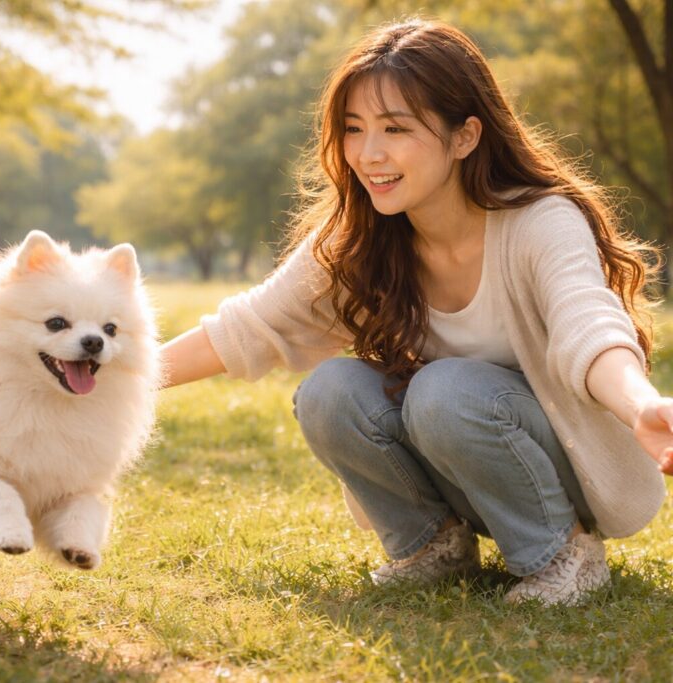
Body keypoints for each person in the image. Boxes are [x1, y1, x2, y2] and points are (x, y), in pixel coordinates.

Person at [160, 18, 673, 606]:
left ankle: (565, 552)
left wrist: (641, 405)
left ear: (465, 136)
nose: (368, 153)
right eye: (354, 129)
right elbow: (247, 328)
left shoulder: (540, 222)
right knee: (330, 389)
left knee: (444, 388)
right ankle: (433, 546)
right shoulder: (359, 236)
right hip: (462, 462)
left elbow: (588, 324)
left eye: (395, 128)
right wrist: (116, 379)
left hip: (569, 468)